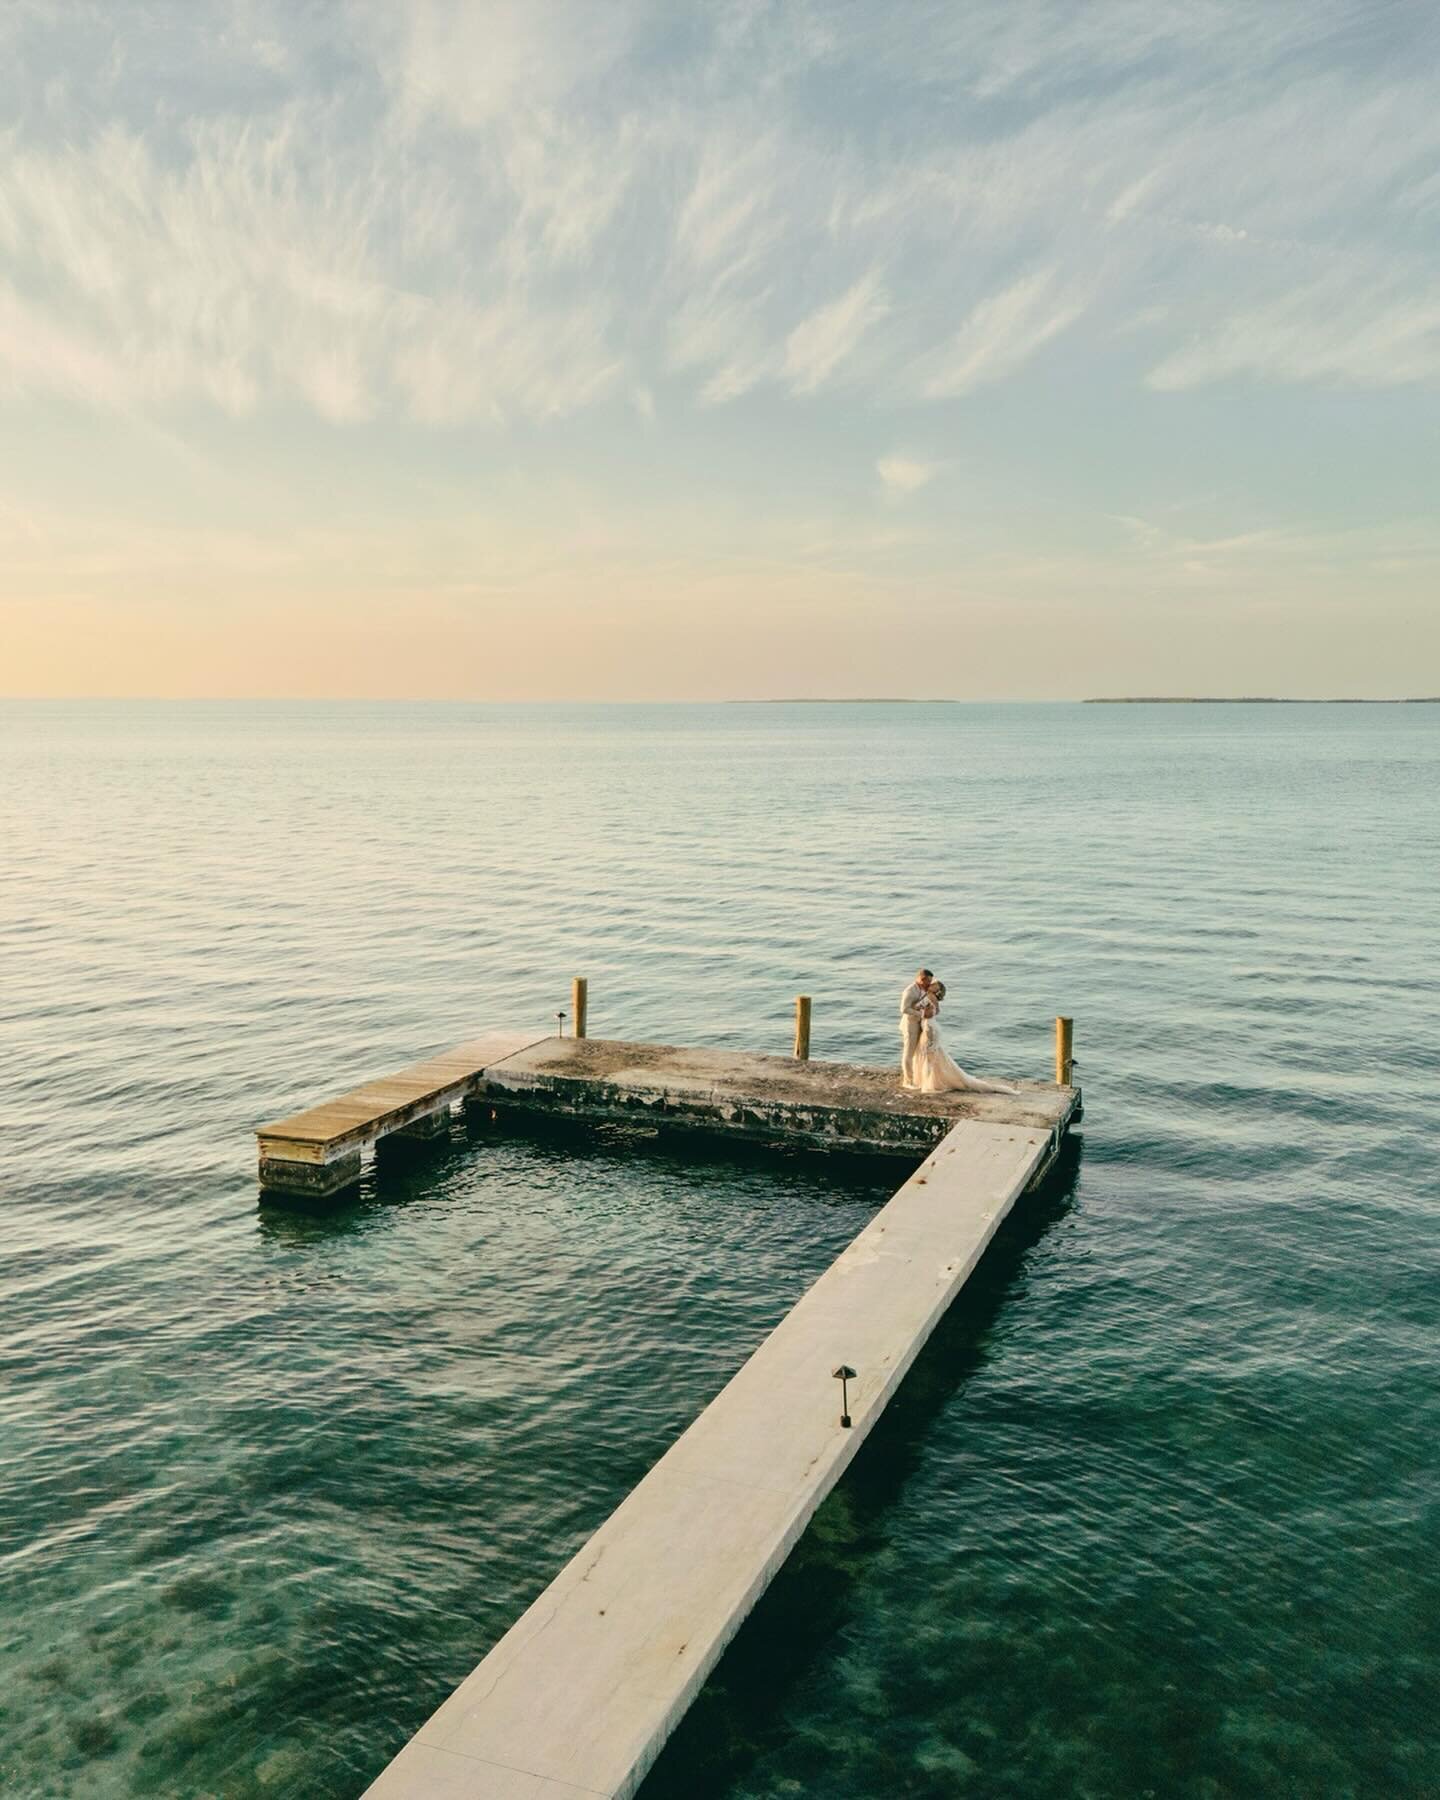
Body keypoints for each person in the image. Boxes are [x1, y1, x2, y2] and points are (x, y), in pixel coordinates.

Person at [916, 980, 1020, 1096]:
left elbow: (924, 1012)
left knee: (929, 1055)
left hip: (929, 1028)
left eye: (934, 984)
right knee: (933, 1055)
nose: (931, 984)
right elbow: (935, 1011)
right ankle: (930, 1081)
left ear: (937, 990)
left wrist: (919, 1011)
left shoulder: (929, 997)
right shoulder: (932, 997)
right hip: (932, 1027)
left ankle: (927, 1084)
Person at [899, 968, 933, 1089]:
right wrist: (922, 1014)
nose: (929, 984)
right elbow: (904, 1009)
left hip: (919, 1024)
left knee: (917, 1052)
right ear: (921, 979)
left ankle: (916, 1078)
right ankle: (907, 1081)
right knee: (908, 1053)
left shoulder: (923, 989)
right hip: (909, 1025)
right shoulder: (910, 991)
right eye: (928, 981)